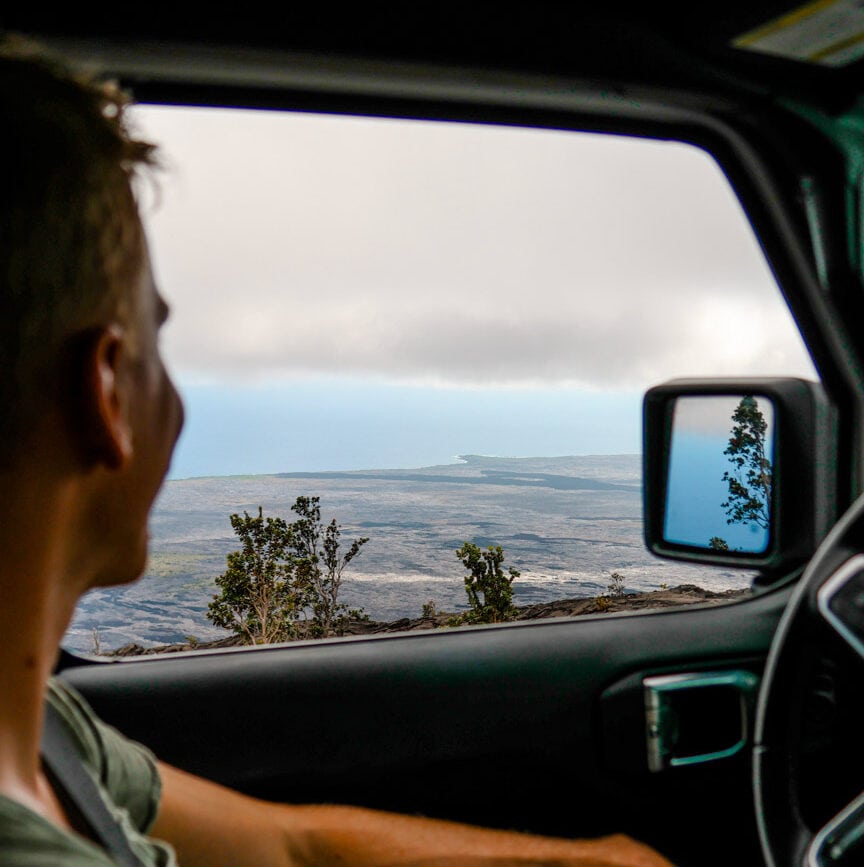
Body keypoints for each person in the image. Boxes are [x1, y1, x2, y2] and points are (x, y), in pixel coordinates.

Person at [0, 37, 676, 867]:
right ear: (108, 392)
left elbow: (294, 845)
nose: (176, 407)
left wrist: (594, 860)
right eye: (158, 344)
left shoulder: (42, 734)